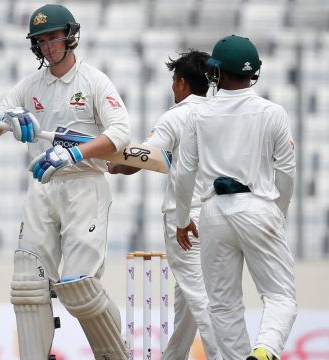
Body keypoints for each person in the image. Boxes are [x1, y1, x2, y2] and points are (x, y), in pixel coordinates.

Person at [0, 4, 130, 359]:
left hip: (84, 184)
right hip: (43, 184)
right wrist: (7, 121)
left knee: (79, 286)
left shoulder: (93, 81)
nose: (48, 46)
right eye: (41, 40)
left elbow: (121, 133)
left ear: (69, 36)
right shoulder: (30, 85)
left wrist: (76, 153)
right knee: (28, 283)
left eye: (54, 37)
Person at [174, 35, 297, 360]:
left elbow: (184, 173)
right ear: (254, 73)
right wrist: (279, 215)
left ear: (215, 72)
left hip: (213, 212)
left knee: (223, 305)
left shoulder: (199, 115)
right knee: (281, 296)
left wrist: (182, 219)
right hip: (258, 206)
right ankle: (265, 351)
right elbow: (286, 173)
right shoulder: (273, 113)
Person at [109, 50, 221, 359]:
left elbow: (145, 156)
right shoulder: (219, 113)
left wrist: (114, 160)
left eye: (174, 81)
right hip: (218, 215)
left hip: (185, 218)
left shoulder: (177, 115)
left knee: (200, 297)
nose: (173, 87)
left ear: (182, 83)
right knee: (187, 299)